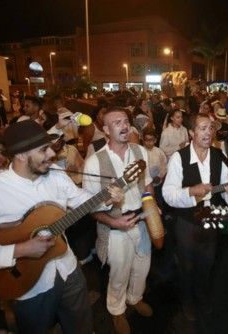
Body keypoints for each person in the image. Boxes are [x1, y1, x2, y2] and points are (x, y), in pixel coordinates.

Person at [0, 120, 123, 334]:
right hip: (29, 287)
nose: (51, 155)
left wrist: (106, 198)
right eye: (43, 150)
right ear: (20, 155)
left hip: (68, 269)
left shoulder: (54, 173)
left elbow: (78, 198)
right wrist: (20, 249)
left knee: (82, 325)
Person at [162, 113, 228, 321]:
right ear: (191, 133)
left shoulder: (218, 154)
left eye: (211, 128)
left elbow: (225, 187)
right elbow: (168, 195)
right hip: (186, 222)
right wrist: (191, 191)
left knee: (207, 263)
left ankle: (201, 296)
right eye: (203, 128)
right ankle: (187, 301)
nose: (208, 132)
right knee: (186, 265)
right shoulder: (179, 158)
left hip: (211, 219)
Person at [83, 106, 154, 334]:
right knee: (119, 272)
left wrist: (152, 207)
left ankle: (135, 298)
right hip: (115, 227)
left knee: (142, 266)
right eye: (116, 123)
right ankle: (116, 310)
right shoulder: (94, 162)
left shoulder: (140, 151)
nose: (124, 126)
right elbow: (90, 208)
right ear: (105, 129)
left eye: (125, 121)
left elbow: (148, 183)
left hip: (141, 220)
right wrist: (113, 223)